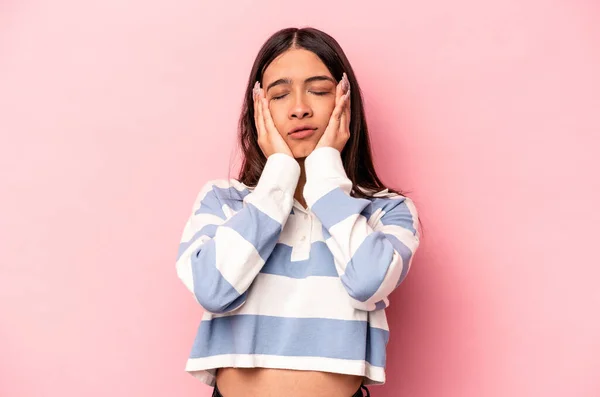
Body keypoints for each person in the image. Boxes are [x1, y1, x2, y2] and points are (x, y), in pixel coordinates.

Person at [175, 26, 422, 397]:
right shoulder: (224, 202)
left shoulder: (386, 211)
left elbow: (367, 283)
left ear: (345, 101)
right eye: (279, 94)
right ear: (258, 108)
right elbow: (213, 290)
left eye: (319, 91)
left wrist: (324, 178)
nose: (300, 108)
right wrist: (278, 178)